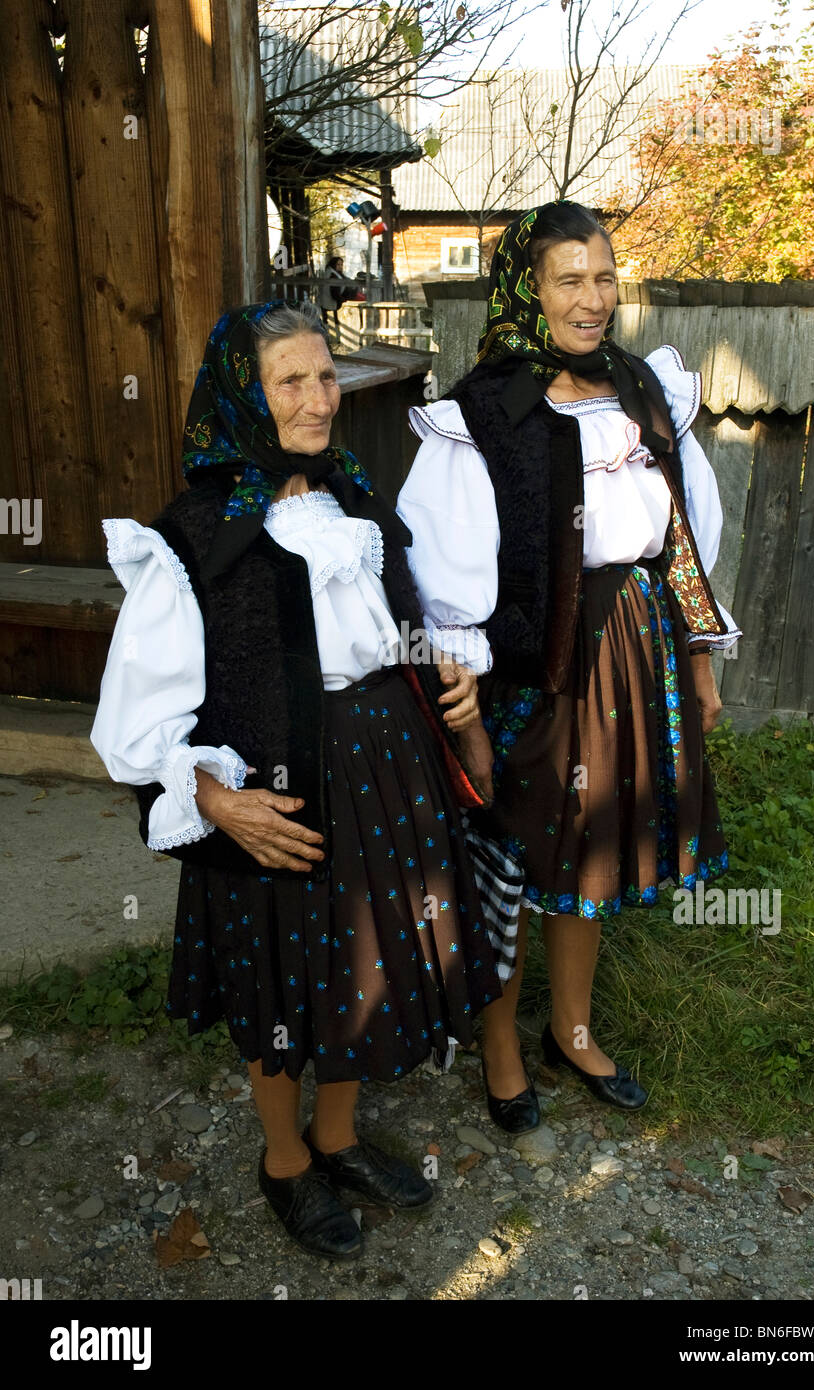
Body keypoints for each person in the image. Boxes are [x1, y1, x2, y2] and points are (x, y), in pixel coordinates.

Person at [90, 301, 501, 1259]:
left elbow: (398, 623)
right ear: (243, 393)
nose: (318, 400)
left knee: (366, 959)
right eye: (291, 381)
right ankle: (283, 1161)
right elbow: (135, 718)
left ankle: (338, 1136)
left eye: (325, 377)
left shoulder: (358, 501)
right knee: (282, 976)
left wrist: (446, 683)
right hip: (274, 784)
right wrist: (210, 796)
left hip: (388, 764)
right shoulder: (193, 539)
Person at [396, 200, 742, 1134]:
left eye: (604, 277)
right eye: (569, 280)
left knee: (592, 851)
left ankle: (574, 1030)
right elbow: (441, 577)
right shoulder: (485, 414)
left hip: (637, 649)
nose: (592, 300)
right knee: (517, 855)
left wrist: (701, 660)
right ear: (526, 288)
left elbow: (679, 538)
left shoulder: (640, 389)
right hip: (533, 668)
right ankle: (501, 1047)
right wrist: (463, 712)